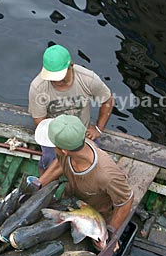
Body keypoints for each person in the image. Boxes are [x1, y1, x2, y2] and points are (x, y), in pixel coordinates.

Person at [34, 114, 134, 250]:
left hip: (95, 216)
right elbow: (59, 163)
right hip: (71, 201)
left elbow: (126, 202)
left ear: (64, 150)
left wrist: (109, 232)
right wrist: (38, 184)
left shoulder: (107, 174)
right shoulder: (71, 148)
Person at [29, 44, 114, 173]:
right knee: (49, 160)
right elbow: (40, 120)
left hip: (82, 132)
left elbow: (107, 100)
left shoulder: (88, 79)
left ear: (71, 66)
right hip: (54, 134)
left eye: (59, 76)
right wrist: (60, 141)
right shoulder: (38, 87)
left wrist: (98, 128)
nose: (55, 81)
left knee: (98, 163)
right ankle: (43, 180)